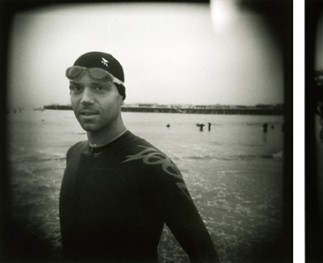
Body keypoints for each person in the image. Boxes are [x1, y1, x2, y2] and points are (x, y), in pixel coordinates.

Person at [60, 51, 219, 262]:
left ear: (121, 97)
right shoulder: (74, 153)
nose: (85, 99)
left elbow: (204, 254)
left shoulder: (153, 165)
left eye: (100, 88)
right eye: (76, 88)